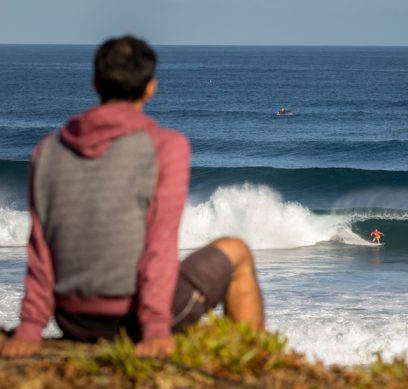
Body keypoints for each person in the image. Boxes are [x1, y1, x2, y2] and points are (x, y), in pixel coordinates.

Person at [0, 35, 264, 359]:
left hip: (73, 320)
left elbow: (41, 246)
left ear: (95, 83)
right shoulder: (166, 147)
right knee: (236, 252)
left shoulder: (48, 150)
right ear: (150, 88)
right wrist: (154, 329)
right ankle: (254, 365)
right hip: (133, 322)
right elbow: (159, 245)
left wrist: (29, 328)